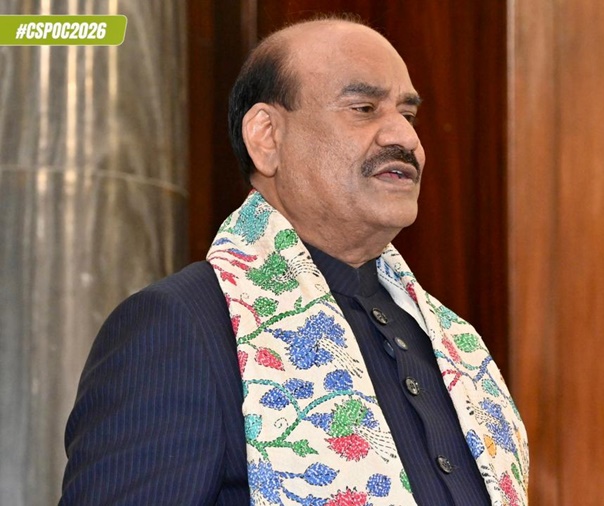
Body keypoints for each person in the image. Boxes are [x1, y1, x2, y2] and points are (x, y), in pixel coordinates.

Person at [60, 17, 528, 506]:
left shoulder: (455, 346)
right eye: (364, 108)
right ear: (267, 136)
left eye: (408, 115)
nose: (405, 138)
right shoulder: (183, 327)